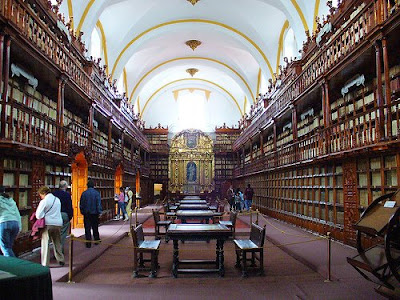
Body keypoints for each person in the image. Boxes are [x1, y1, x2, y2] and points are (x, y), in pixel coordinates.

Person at [36, 186, 65, 266]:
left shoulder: (44, 201)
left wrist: (44, 215)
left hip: (48, 224)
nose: (41, 197)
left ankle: (45, 263)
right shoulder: (57, 200)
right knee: (57, 242)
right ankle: (60, 259)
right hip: (58, 223)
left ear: (43, 193)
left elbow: (38, 215)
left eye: (40, 195)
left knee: (45, 243)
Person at [79, 180, 102, 248]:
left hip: (87, 213)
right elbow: (98, 203)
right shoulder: (96, 193)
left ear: (87, 186)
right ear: (93, 186)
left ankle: (88, 243)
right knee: (95, 227)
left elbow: (81, 204)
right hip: (94, 213)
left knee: (87, 228)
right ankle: (96, 240)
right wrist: (99, 211)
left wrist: (82, 211)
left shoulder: (84, 193)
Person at [53, 180, 73, 254]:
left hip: (54, 215)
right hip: (64, 215)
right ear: (65, 186)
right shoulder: (67, 195)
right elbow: (69, 206)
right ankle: (59, 251)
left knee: (55, 233)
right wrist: (70, 216)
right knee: (62, 233)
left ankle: (56, 249)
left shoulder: (54, 194)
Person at [0, 186, 21, 257]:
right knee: (9, 247)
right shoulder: (11, 200)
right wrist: (19, 228)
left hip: (4, 223)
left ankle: (14, 266)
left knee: (5, 248)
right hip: (15, 224)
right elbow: (18, 214)